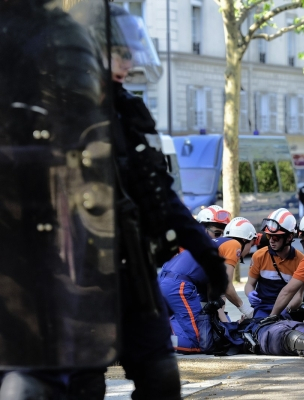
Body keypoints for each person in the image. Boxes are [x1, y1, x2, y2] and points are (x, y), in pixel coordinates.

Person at [0, 3, 229, 399]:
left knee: (160, 376)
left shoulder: (125, 112)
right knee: (65, 384)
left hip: (128, 267)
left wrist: (208, 256)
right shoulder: (26, 114)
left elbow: (157, 192)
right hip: (57, 276)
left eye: (128, 53)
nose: (126, 63)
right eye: (116, 53)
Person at [159, 217, 256, 353]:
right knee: (199, 343)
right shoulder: (234, 245)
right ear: (245, 240)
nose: (249, 250)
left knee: (191, 336)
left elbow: (213, 297)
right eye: (251, 245)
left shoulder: (215, 245)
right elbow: (226, 285)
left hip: (165, 282)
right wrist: (244, 307)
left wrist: (227, 325)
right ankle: (150, 341)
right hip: (179, 286)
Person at [245, 208, 304, 318]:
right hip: (262, 308)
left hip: (286, 310)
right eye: (268, 236)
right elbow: (249, 284)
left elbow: (298, 296)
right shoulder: (259, 256)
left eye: (276, 237)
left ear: (289, 237)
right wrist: (249, 293)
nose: (271, 240)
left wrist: (286, 310)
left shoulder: (301, 260)